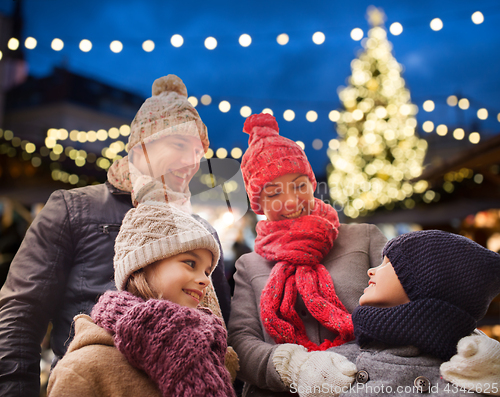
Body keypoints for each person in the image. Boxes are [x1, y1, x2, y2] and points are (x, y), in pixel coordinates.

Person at [0, 74, 231, 397]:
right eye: (178, 144)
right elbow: (19, 319)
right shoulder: (73, 209)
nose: (192, 160)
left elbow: (224, 332)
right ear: (140, 149)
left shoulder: (202, 232)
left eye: (198, 150)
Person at [227, 113, 388, 396]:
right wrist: (295, 368)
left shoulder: (364, 237)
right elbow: (241, 341)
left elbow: (405, 303)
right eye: (274, 193)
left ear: (312, 185)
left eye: (299, 186)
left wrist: (352, 363)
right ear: (259, 203)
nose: (291, 201)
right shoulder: (249, 265)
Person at [272, 230, 500, 396]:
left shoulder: (473, 376)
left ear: (428, 283)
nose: (372, 270)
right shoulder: (336, 366)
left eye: (388, 263)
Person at [47, 201, 238, 397]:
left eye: (207, 271)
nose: (206, 280)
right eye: (190, 263)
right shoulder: (83, 369)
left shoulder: (210, 351)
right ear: (143, 264)